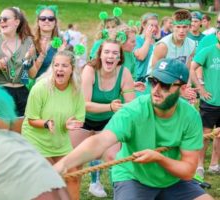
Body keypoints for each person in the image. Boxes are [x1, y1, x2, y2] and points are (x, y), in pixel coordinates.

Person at [55, 58, 215, 200]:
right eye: (153, 81)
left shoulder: (190, 116)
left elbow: (188, 170)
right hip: (133, 177)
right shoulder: (133, 111)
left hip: (173, 180)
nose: (156, 89)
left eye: (165, 85)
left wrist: (159, 158)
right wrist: (63, 165)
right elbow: (100, 141)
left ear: (182, 88)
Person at [22, 50, 85, 200]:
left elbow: (80, 119)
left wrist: (69, 124)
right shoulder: (41, 88)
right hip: (35, 139)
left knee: (73, 176)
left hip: (60, 141)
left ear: (72, 69)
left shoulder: (76, 91)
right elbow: (31, 119)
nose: (59, 69)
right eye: (56, 65)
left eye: (64, 66)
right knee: (46, 179)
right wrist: (46, 123)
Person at [82, 34, 135, 197]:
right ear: (100, 54)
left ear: (119, 58)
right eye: (107, 52)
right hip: (83, 119)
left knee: (113, 156)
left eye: (115, 53)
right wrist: (110, 106)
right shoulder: (89, 70)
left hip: (107, 119)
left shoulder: (124, 73)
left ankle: (118, 189)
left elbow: (131, 104)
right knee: (74, 162)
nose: (110, 56)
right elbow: (85, 104)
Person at [0, 7, 33, 116]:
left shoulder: (27, 41)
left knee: (21, 129)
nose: (1, 21)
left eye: (5, 19)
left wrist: (27, 60)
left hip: (22, 92)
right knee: (2, 129)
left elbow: (30, 75)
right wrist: (5, 59)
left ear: (17, 22)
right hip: (1, 91)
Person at [190, 27, 220, 178]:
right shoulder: (208, 50)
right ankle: (199, 165)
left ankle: (214, 164)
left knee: (219, 135)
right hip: (210, 102)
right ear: (217, 34)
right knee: (205, 135)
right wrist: (200, 89)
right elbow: (192, 68)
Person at [27, 5, 63, 80]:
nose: (47, 21)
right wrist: (42, 55)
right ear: (38, 22)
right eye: (43, 18)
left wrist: (61, 55)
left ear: (55, 22)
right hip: (35, 86)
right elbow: (32, 75)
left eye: (51, 18)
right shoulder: (30, 42)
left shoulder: (60, 43)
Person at [134, 13, 159, 83]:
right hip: (139, 80)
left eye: (156, 26)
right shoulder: (136, 39)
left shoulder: (158, 43)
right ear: (143, 25)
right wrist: (148, 39)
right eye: (151, 25)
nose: (154, 28)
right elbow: (141, 56)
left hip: (152, 80)